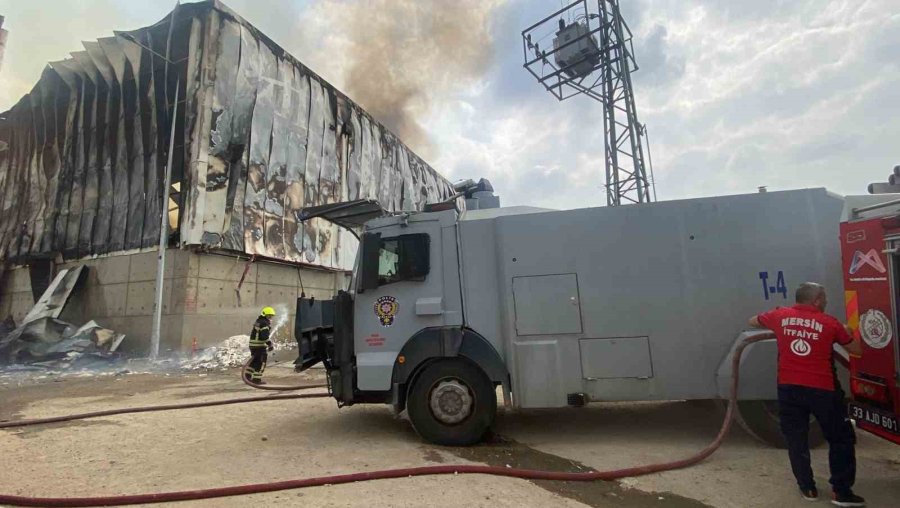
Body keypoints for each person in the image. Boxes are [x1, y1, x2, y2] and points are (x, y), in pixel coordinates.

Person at [749, 282, 865, 507]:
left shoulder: (780, 316)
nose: (827, 301)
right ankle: (841, 492)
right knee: (841, 438)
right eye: (825, 297)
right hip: (823, 390)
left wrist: (780, 320)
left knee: (796, 439)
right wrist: (847, 331)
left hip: (789, 389)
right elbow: (856, 350)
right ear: (817, 300)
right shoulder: (830, 323)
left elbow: (752, 321)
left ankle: (807, 488)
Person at [245, 306, 275, 385]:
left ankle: (247, 376)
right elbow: (264, 337)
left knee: (254, 361)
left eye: (271, 316)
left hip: (253, 345)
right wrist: (270, 344)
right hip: (259, 346)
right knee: (261, 363)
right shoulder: (264, 324)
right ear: (265, 315)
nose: (270, 317)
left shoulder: (258, 321)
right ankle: (256, 379)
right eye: (269, 315)